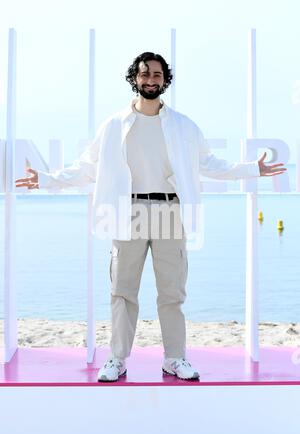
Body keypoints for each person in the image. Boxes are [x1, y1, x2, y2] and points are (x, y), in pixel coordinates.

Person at [15, 52, 286, 382]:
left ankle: (174, 358)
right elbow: (86, 168)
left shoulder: (183, 125)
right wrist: (45, 179)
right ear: (135, 78)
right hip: (127, 211)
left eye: (157, 74)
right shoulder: (114, 125)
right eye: (145, 74)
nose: (151, 79)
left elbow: (211, 165)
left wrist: (252, 169)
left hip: (171, 211)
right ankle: (117, 359)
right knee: (122, 290)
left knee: (172, 292)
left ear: (165, 80)